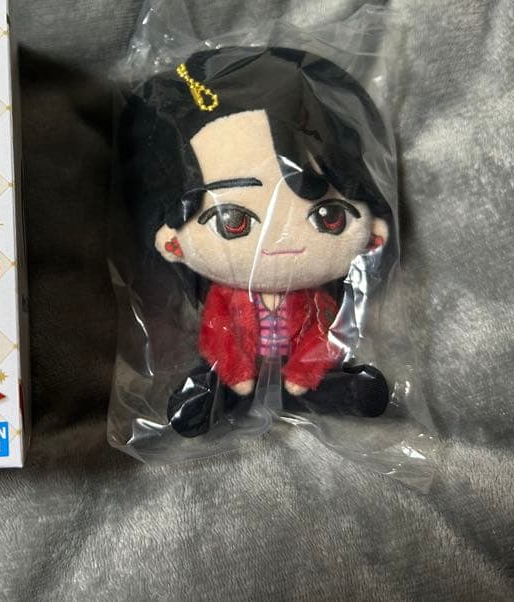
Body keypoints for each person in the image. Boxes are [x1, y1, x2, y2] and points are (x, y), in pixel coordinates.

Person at [119, 46, 395, 436]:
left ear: (373, 234)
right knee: (213, 381)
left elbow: (322, 335)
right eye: (233, 222)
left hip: (303, 369)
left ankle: (332, 390)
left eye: (328, 216)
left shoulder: (317, 301)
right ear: (172, 242)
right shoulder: (224, 298)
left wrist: (302, 374)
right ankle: (216, 397)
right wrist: (237, 375)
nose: (281, 243)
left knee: (322, 380)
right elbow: (217, 334)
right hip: (237, 373)